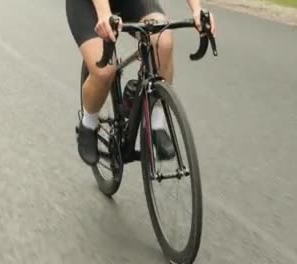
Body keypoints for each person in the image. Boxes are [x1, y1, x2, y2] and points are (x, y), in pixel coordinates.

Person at [66, 0, 216, 165]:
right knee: (104, 72)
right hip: (88, 5)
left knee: (163, 42)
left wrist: (197, 11)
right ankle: (88, 124)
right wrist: (104, 14)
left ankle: (156, 124)